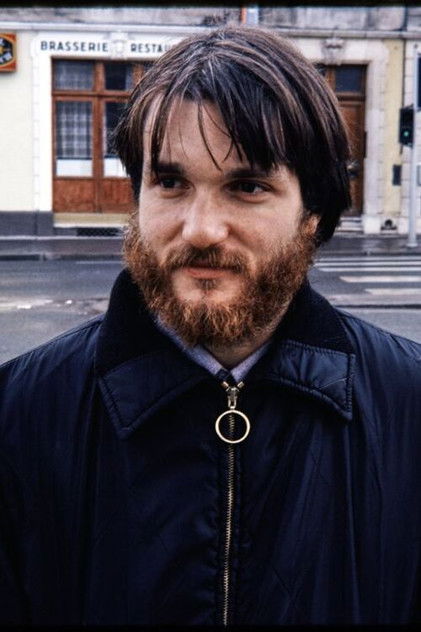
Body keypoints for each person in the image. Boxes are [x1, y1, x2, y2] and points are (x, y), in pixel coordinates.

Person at [1, 25, 420, 626]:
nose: (200, 229)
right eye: (170, 183)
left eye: (247, 186)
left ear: (313, 213)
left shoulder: (407, 405)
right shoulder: (20, 414)